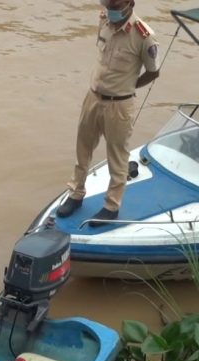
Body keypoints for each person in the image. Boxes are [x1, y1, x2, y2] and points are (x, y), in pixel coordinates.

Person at [56, 0, 160, 227]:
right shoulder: (103, 19)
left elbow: (153, 72)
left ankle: (111, 206)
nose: (111, 10)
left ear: (130, 4)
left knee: (117, 156)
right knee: (82, 148)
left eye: (116, 5)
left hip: (119, 105)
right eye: (109, 5)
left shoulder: (143, 36)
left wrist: (128, 87)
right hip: (93, 97)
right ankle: (76, 194)